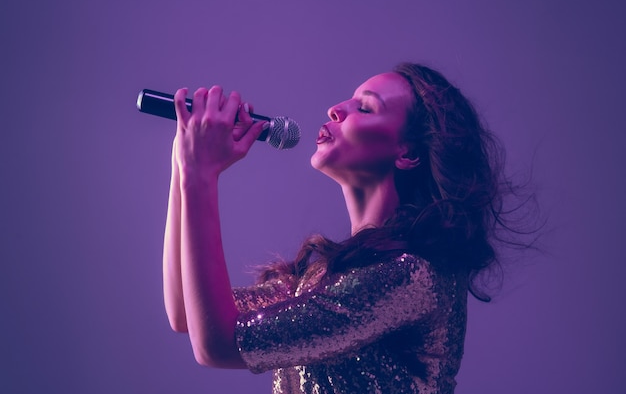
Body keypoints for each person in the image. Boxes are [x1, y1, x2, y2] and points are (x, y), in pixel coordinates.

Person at [162, 63, 526, 393]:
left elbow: (219, 343)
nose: (336, 109)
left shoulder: (410, 275)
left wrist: (201, 175)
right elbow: (185, 314)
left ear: (408, 154)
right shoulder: (323, 277)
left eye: (365, 107)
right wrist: (184, 161)